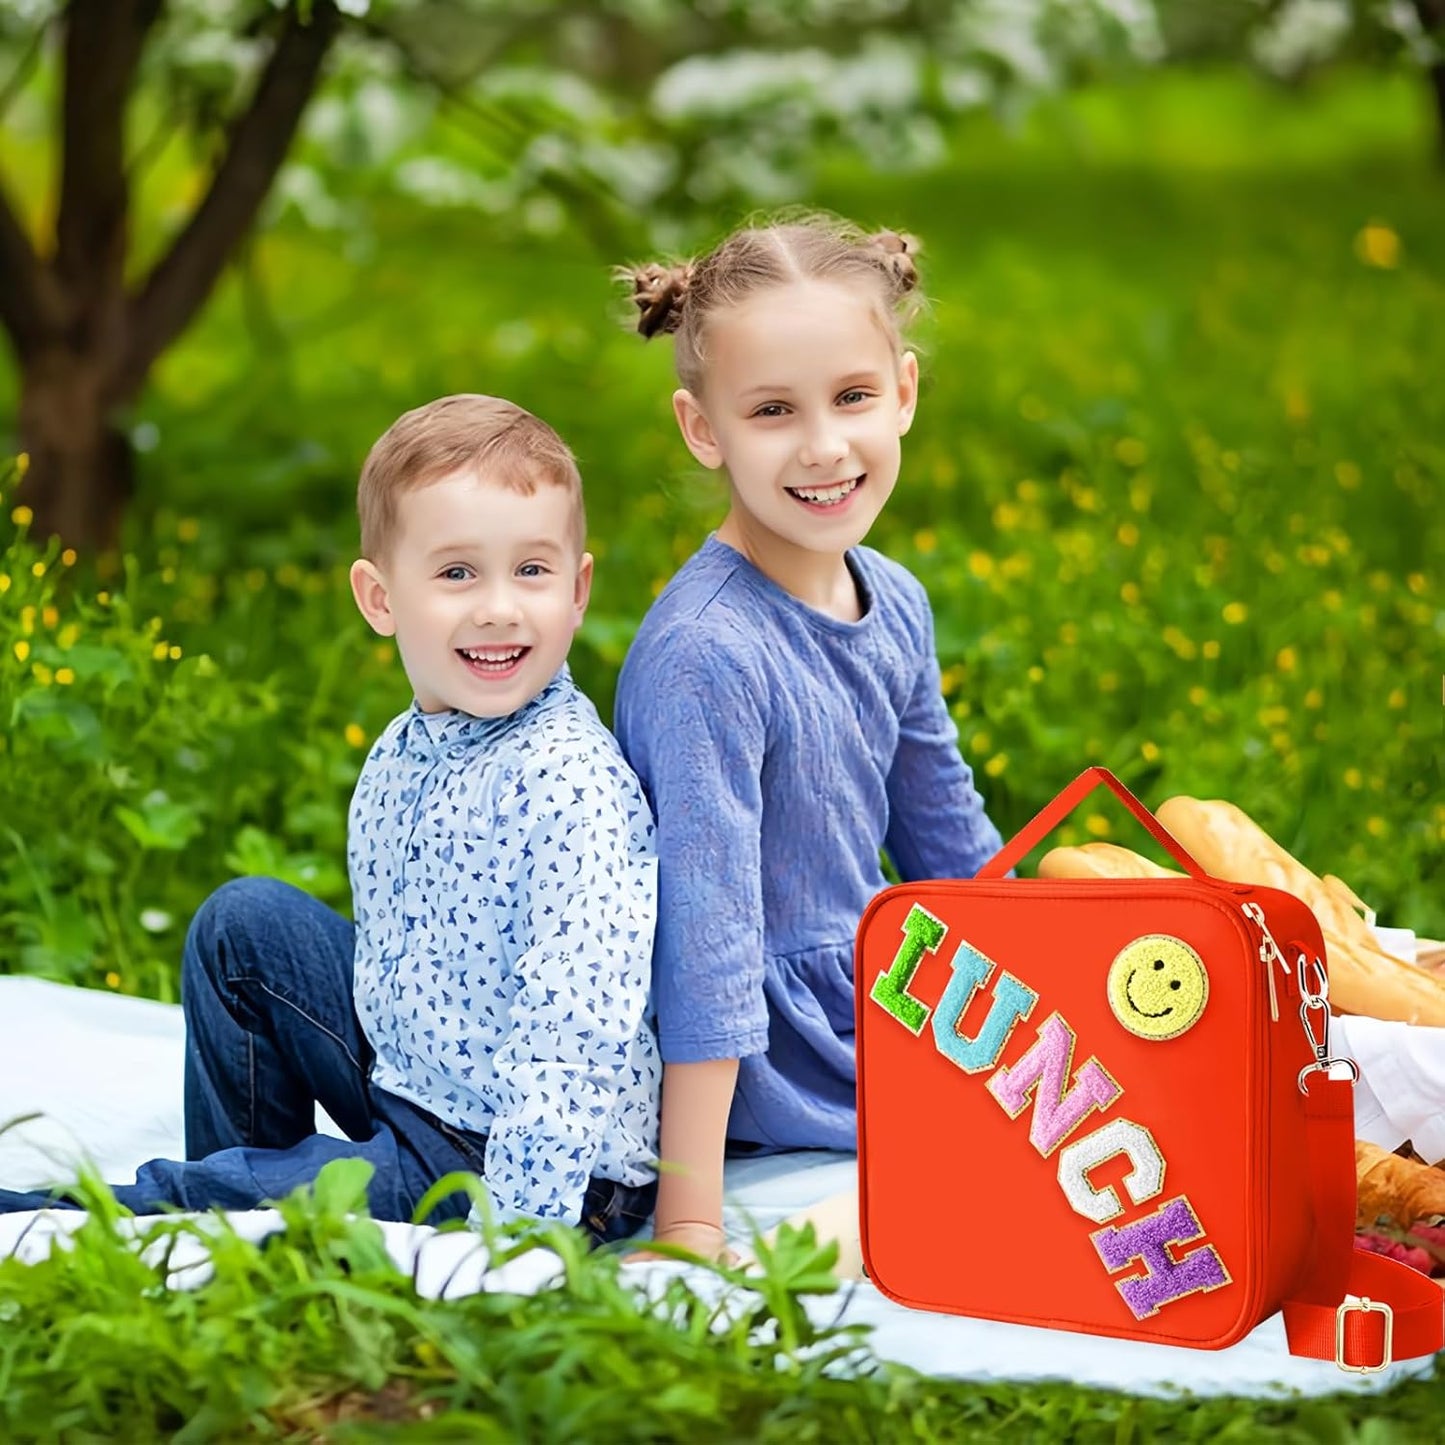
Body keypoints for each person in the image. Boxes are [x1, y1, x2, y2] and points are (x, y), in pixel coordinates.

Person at [0, 395, 661, 1245]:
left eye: (531, 571)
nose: (499, 606)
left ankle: (92, 1218)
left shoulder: (570, 786)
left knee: (211, 1189)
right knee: (242, 924)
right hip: (419, 1080)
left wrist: (526, 1229)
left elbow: (575, 1028)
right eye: (457, 573)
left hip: (523, 1161)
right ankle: (247, 1191)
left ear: (576, 591)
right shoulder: (404, 750)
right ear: (379, 598)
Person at [613, 216, 1006, 1262]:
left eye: (852, 397)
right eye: (773, 411)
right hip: (766, 1056)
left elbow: (949, 844)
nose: (824, 445)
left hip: (884, 1004)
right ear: (704, 430)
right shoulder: (708, 654)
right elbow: (705, 946)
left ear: (904, 392)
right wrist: (690, 1214)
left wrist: (1046, 999)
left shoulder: (895, 599)